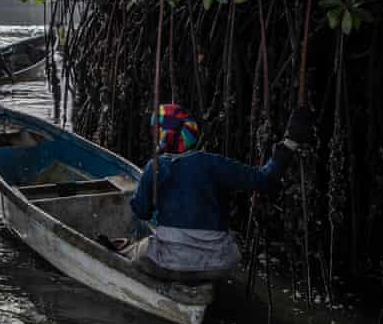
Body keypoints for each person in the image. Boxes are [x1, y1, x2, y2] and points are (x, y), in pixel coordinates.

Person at [117, 104, 311, 281]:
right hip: (218, 264)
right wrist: (290, 143)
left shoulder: (155, 167)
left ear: (162, 137)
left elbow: (142, 212)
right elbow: (264, 179)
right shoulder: (214, 163)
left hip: (167, 262)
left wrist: (144, 193)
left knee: (136, 250)